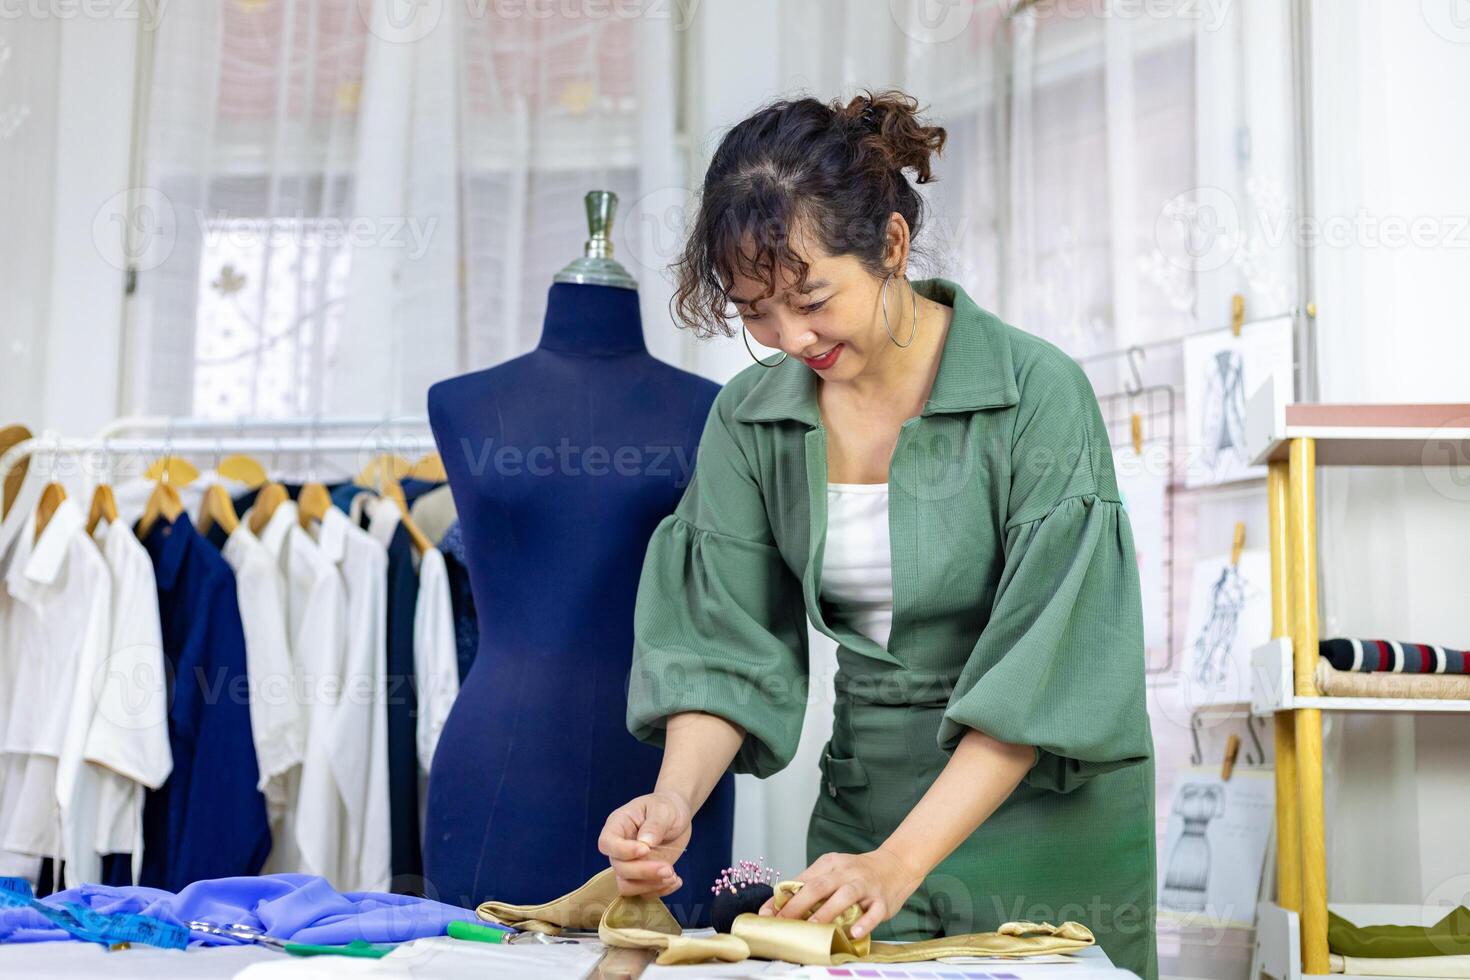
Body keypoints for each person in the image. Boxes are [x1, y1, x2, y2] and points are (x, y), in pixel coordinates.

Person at [598, 89, 1157, 980]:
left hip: (1039, 826)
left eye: (812, 297)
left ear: (892, 246)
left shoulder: (1036, 396)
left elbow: (1042, 675)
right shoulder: (751, 420)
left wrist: (902, 862)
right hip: (862, 824)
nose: (791, 337)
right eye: (755, 312)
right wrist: (674, 801)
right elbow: (721, 642)